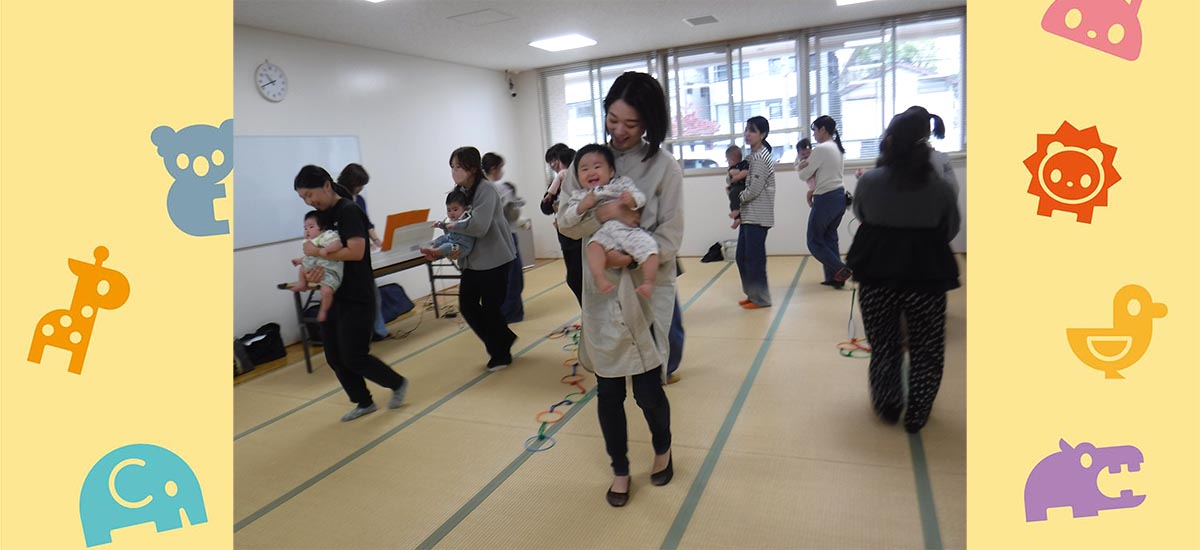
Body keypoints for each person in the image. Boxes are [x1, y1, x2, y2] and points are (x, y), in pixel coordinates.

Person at [557, 71, 681, 507]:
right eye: (613, 119)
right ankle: (620, 469)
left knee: (648, 390)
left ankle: (663, 449)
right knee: (608, 389)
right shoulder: (587, 161)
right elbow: (565, 223)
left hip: (645, 290)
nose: (620, 131)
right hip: (602, 292)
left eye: (631, 123)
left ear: (650, 122)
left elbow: (670, 238)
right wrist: (598, 211)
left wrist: (625, 258)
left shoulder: (664, 167)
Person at [845, 109, 961, 434]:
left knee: (884, 344)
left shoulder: (869, 181)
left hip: (877, 272)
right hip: (926, 275)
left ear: (889, 142)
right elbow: (950, 227)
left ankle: (888, 405)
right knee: (927, 347)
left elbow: (861, 212)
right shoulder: (939, 187)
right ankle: (918, 412)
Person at [293, 165, 408, 422]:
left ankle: (397, 383)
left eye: (310, 195)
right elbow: (323, 254)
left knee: (354, 355)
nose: (309, 201)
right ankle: (363, 401)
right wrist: (313, 270)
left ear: (326, 185)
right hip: (333, 292)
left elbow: (355, 252)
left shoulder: (348, 210)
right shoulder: (320, 215)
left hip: (357, 293)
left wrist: (318, 254)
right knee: (334, 355)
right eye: (303, 198)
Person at [447, 147, 519, 372]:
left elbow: (479, 226)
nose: (454, 172)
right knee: (467, 305)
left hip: (495, 258)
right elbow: (454, 216)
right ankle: (503, 338)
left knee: (491, 308)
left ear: (472, 168)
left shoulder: (486, 189)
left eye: (458, 167)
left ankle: (501, 354)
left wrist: (454, 226)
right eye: (452, 167)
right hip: (472, 260)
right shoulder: (460, 190)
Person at [569, 144, 659, 298]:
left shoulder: (622, 183)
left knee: (650, 248)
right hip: (604, 234)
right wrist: (582, 206)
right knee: (592, 247)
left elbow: (640, 197)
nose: (591, 172)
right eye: (584, 169)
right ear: (577, 176)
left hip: (627, 230)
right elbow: (568, 218)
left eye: (597, 166)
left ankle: (648, 281)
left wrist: (631, 200)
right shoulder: (580, 195)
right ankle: (600, 278)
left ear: (611, 171)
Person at [797, 115, 852, 289]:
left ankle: (841, 269)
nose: (813, 135)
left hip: (825, 198)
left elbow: (804, 175)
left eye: (814, 130)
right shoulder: (836, 147)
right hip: (839, 198)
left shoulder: (822, 149)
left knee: (814, 241)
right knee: (829, 238)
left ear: (822, 130)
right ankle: (835, 279)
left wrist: (800, 165)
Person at [337, 163, 389, 340]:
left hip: (362, 253)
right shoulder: (338, 201)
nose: (361, 188)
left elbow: (366, 224)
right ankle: (364, 334)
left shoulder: (359, 201)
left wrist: (376, 240)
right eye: (360, 184)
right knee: (362, 298)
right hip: (345, 256)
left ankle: (378, 331)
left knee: (373, 295)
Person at [734, 116, 775, 309]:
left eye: (752, 131)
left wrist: (736, 198)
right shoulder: (751, 156)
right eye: (746, 130)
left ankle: (762, 299)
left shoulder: (760, 158)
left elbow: (754, 190)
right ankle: (752, 294)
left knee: (755, 260)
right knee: (742, 256)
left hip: (758, 216)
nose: (747, 134)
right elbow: (734, 177)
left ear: (763, 134)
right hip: (749, 215)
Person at [483, 152, 525, 323]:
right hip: (506, 236)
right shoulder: (497, 188)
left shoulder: (479, 188)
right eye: (501, 167)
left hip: (491, 240)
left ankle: (502, 312)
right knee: (513, 278)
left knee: (500, 279)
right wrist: (515, 204)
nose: (503, 171)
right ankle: (510, 314)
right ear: (494, 168)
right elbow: (511, 215)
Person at [540, 143, 583, 306]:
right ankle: (587, 316)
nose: (552, 165)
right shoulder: (556, 183)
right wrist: (554, 188)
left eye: (555, 160)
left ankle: (590, 317)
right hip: (565, 239)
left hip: (579, 238)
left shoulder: (577, 179)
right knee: (574, 279)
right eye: (549, 161)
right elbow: (544, 207)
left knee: (577, 279)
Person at [291, 211, 344, 322]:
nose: (307, 230)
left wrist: (326, 249)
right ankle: (302, 283)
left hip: (330, 270)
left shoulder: (327, 236)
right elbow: (310, 257)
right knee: (302, 266)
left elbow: (338, 244)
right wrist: (300, 260)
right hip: (317, 267)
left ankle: (323, 310)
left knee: (326, 291)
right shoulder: (311, 242)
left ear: (322, 227)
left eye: (311, 227)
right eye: (305, 228)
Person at [419, 190, 475, 267]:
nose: (452, 213)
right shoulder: (452, 219)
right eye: (449, 210)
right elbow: (446, 225)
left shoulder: (466, 219)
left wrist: (454, 226)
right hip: (452, 239)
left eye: (455, 210)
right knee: (440, 239)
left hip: (462, 246)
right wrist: (439, 224)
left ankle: (434, 252)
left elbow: (465, 225)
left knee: (447, 247)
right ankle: (433, 253)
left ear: (465, 209)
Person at [725, 145, 750, 229]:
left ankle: (736, 210)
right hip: (735, 186)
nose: (728, 163)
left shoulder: (744, 164)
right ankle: (737, 219)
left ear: (732, 159)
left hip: (742, 186)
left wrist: (738, 176)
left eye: (728, 161)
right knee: (732, 202)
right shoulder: (731, 168)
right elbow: (731, 173)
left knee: (733, 194)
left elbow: (746, 172)